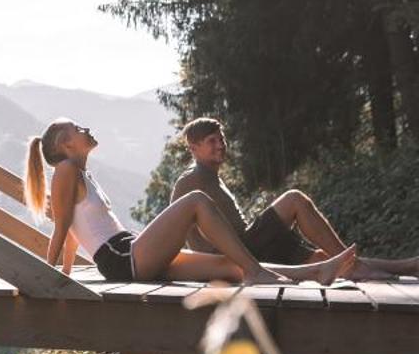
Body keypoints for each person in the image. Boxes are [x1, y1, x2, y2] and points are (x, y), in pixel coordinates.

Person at [24, 119, 356, 286]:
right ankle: (255, 270)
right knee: (195, 200)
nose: (87, 129)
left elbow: (73, 231)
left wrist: (65, 273)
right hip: (122, 258)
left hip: (130, 251)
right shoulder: (66, 170)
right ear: (67, 144)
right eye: (79, 128)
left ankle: (316, 271)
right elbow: (63, 225)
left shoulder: (79, 173)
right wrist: (45, 275)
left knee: (228, 268)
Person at [170, 117, 419, 282]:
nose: (220, 145)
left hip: (252, 249)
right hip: (235, 256)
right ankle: (357, 268)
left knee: (322, 258)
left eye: (221, 139)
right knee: (294, 200)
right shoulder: (190, 180)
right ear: (194, 148)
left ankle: (413, 265)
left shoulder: (212, 176)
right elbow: (173, 227)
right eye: (211, 141)